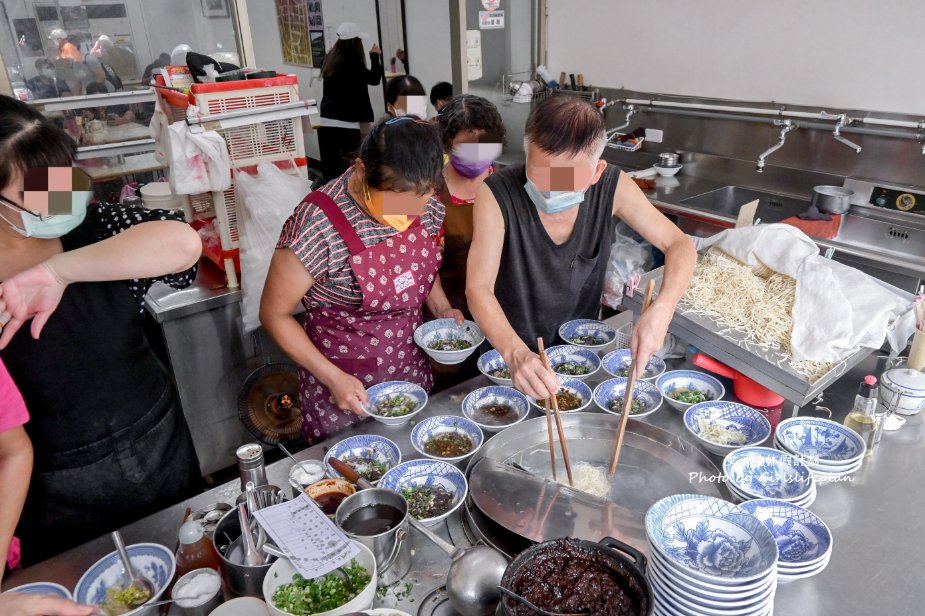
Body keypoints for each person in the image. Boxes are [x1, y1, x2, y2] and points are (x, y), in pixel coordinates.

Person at [0, 95, 202, 563]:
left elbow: (182, 244)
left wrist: (58, 272)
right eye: (38, 187)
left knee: (190, 561)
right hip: (56, 485)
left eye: (63, 176)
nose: (62, 195)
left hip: (158, 442)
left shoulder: (96, 229)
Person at [466, 96, 696, 399]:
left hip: (581, 356)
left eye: (565, 179)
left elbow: (680, 244)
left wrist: (662, 310)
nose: (549, 189)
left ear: (596, 171)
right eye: (539, 174)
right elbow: (478, 287)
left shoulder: (613, 187)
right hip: (509, 358)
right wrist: (514, 354)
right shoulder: (496, 194)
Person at [261, 116, 463, 445]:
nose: (409, 217)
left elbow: (418, 266)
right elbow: (274, 314)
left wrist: (441, 309)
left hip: (411, 372)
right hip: (342, 388)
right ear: (360, 171)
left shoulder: (422, 196)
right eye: (396, 204)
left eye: (421, 201)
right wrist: (332, 378)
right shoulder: (316, 224)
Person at [436, 94, 505, 318]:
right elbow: (419, 263)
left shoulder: (506, 184)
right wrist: (444, 309)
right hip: (451, 308)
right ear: (447, 144)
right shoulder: (428, 192)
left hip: (501, 308)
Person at [317, 22, 382, 181]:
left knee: (331, 170)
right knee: (350, 171)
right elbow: (374, 79)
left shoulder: (329, 58)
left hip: (326, 123)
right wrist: (374, 56)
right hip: (347, 125)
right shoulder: (353, 61)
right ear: (355, 42)